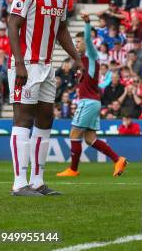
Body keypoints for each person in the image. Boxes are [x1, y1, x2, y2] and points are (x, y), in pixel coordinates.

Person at [7, 0, 85, 196]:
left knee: (45, 119)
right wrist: (19, 63)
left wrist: (77, 58)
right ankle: (20, 183)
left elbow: (61, 30)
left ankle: (38, 181)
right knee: (23, 118)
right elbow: (12, 24)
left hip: (47, 65)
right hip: (26, 64)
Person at [56, 13, 128, 178]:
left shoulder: (92, 57)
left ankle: (73, 169)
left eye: (79, 42)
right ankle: (118, 159)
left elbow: (88, 40)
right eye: (76, 42)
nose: (77, 44)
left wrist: (87, 23)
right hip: (92, 102)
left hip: (88, 103)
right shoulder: (81, 61)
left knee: (74, 134)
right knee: (89, 138)